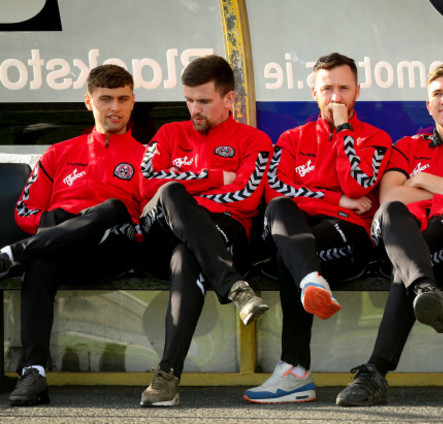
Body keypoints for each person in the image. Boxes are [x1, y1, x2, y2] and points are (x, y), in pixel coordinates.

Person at [335, 63, 443, 407]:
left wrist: (426, 180)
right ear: (427, 104)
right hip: (404, 241)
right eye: (437, 94)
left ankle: (375, 373)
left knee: (410, 264)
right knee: (392, 219)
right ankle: (422, 292)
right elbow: (390, 197)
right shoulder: (407, 145)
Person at [242, 52, 392, 403]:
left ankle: (295, 372)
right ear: (313, 92)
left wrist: (343, 130)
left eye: (343, 88)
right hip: (308, 239)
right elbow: (277, 191)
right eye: (327, 88)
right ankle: (311, 281)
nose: (335, 97)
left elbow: (357, 185)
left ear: (357, 91)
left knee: (289, 250)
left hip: (348, 239)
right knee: (281, 212)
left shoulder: (376, 138)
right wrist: (335, 201)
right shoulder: (292, 138)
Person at [4, 65, 145, 406]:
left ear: (132, 102)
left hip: (112, 251)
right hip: (58, 251)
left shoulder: (146, 157)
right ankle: (33, 373)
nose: (115, 107)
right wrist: (63, 224)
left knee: (111, 208)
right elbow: (26, 213)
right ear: (88, 102)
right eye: (105, 99)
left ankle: (11, 254)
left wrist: (89, 221)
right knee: (43, 253)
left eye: (123, 99)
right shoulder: (59, 153)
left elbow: (147, 221)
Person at [138, 55, 272, 407]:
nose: (194, 109)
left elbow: (245, 198)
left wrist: (189, 197)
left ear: (229, 99)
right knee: (168, 192)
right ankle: (235, 287)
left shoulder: (254, 141)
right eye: (189, 100)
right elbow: (146, 184)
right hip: (159, 236)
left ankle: (167, 376)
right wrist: (214, 179)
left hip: (223, 233)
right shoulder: (169, 133)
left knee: (188, 253)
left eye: (204, 101)